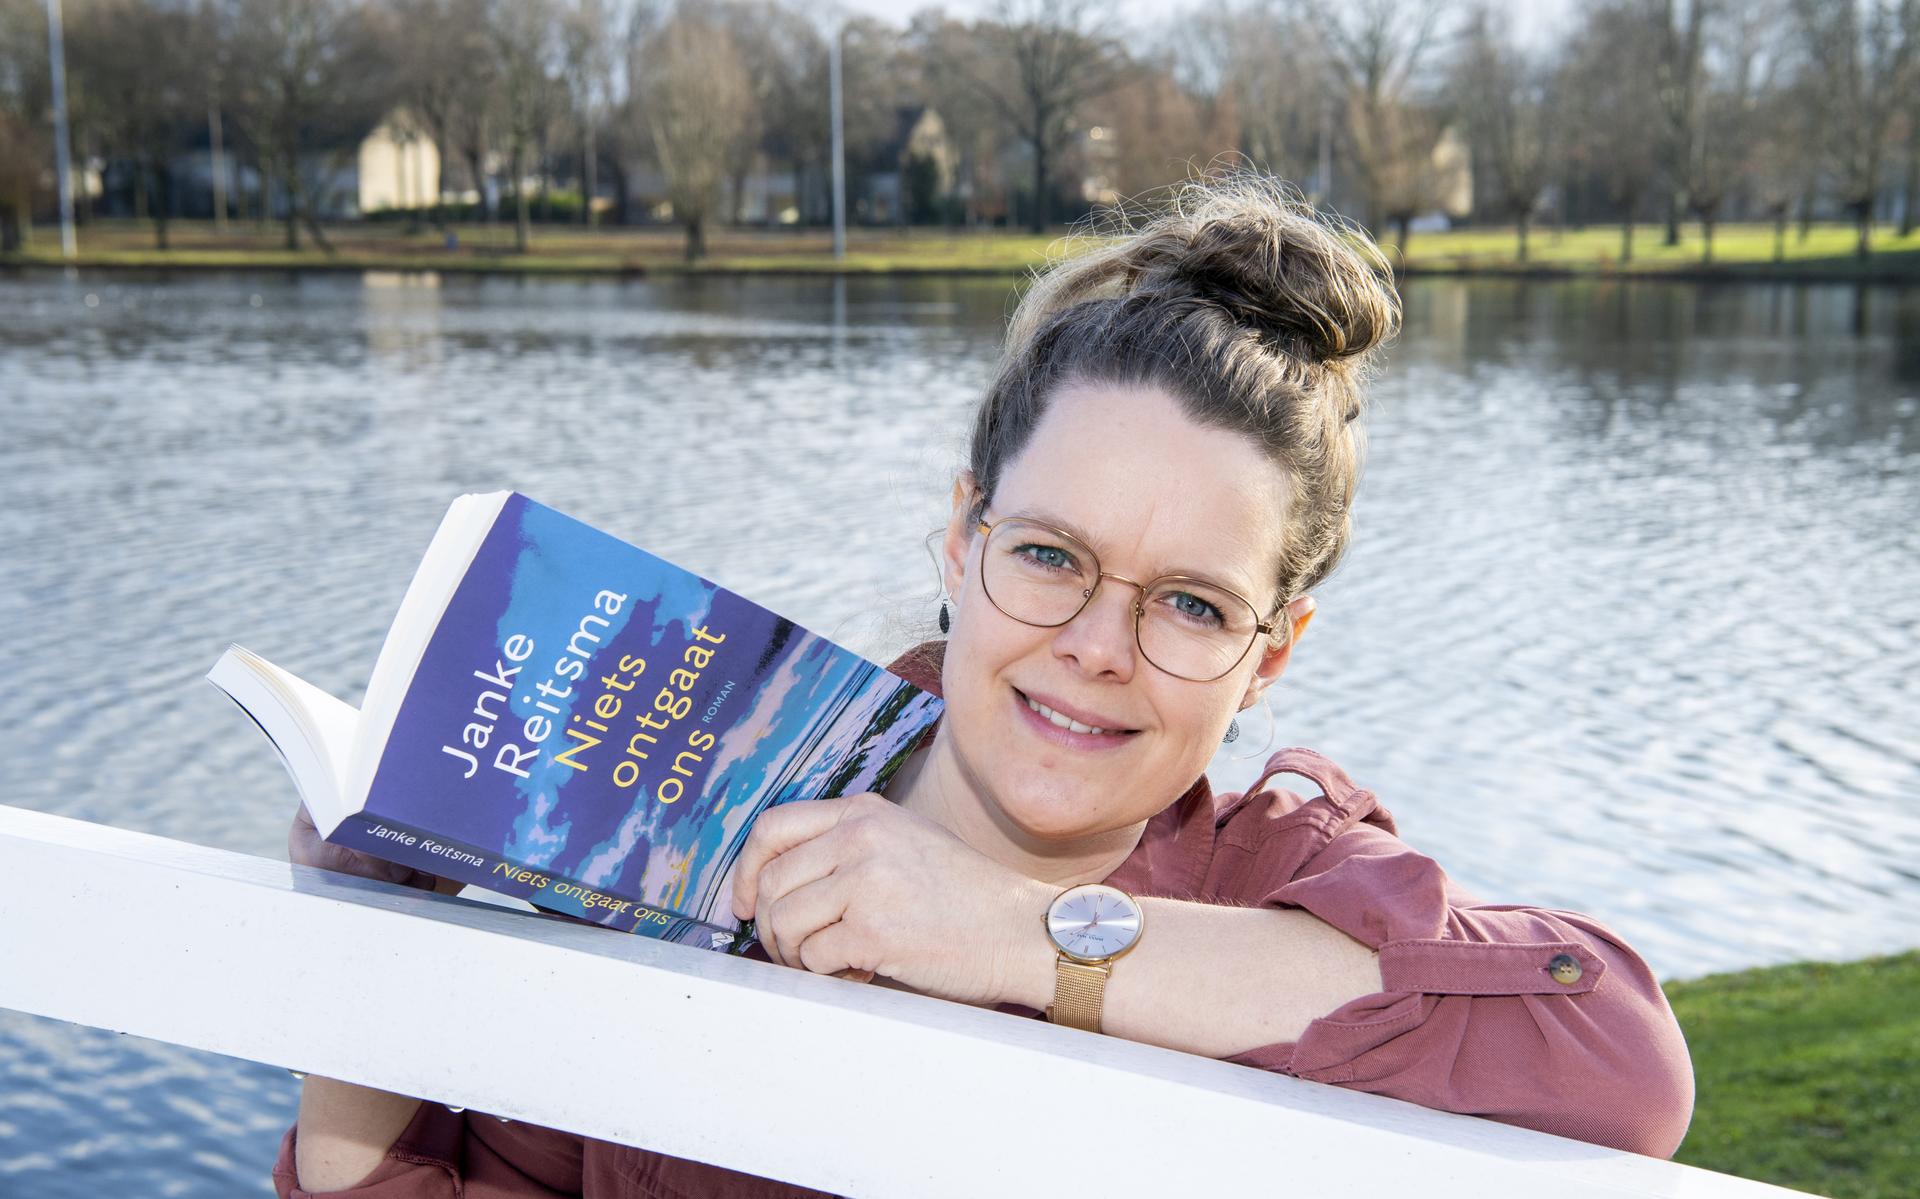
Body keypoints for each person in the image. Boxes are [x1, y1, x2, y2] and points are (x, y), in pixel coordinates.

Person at [275, 174, 1695, 1198]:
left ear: (1272, 653)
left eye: (1193, 604)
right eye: (1050, 555)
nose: (1095, 644)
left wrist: (1022, 937)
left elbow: (1619, 1057)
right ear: (961, 541)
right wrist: (363, 956)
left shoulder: (1278, 885)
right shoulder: (698, 807)